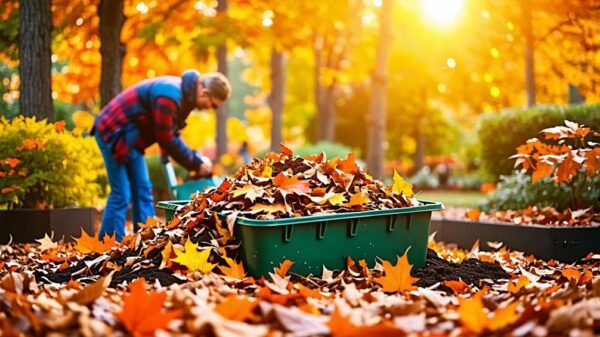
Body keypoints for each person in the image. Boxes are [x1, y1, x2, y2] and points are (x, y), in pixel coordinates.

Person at [92, 70, 231, 241]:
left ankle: (144, 242)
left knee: (143, 189)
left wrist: (192, 159)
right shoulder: (170, 96)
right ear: (204, 93)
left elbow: (168, 131)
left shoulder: (182, 97)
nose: (210, 108)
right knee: (121, 193)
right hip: (112, 131)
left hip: (130, 138)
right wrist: (196, 163)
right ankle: (107, 246)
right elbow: (166, 137)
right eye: (213, 105)